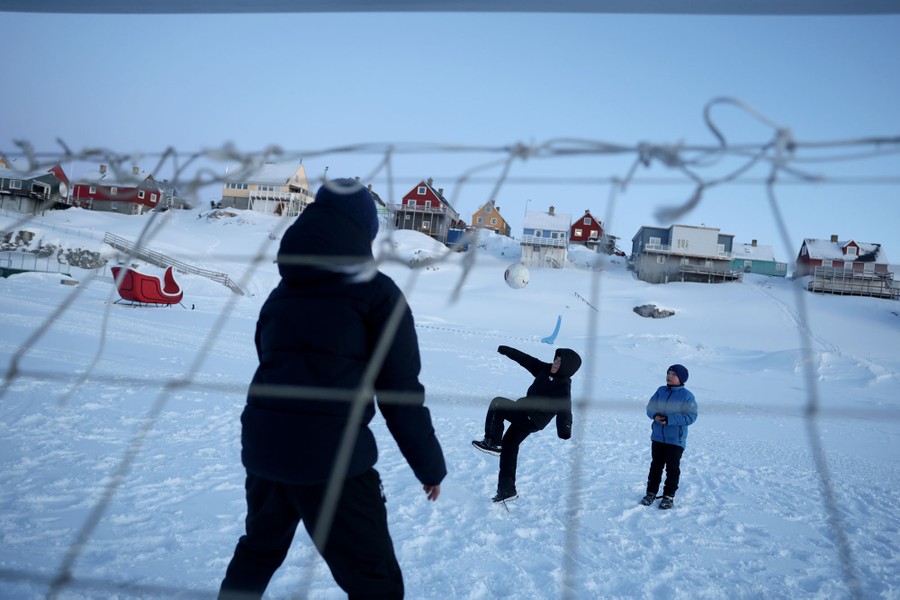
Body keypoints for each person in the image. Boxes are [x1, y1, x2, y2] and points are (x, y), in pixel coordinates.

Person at [219, 178, 447, 599]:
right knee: (374, 582)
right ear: (363, 232)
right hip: (332, 460)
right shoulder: (378, 294)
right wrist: (429, 467)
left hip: (265, 451)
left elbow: (266, 360)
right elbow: (399, 392)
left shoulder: (282, 293)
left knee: (259, 551)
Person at [472, 345, 582, 503]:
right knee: (509, 444)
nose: (555, 363)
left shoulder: (563, 386)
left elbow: (565, 409)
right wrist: (507, 350)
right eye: (555, 359)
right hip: (525, 413)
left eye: (559, 362)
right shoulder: (544, 369)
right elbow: (526, 360)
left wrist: (564, 429)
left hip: (532, 418)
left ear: (566, 368)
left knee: (498, 404)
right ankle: (507, 490)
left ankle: (493, 442)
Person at [640, 364, 698, 510]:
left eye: (673, 374)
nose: (669, 376)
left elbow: (691, 417)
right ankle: (651, 493)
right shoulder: (661, 391)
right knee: (656, 466)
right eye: (668, 373)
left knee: (672, 468)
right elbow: (650, 407)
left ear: (681, 378)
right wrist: (655, 415)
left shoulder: (687, 396)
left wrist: (670, 419)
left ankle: (668, 496)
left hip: (675, 440)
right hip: (658, 437)